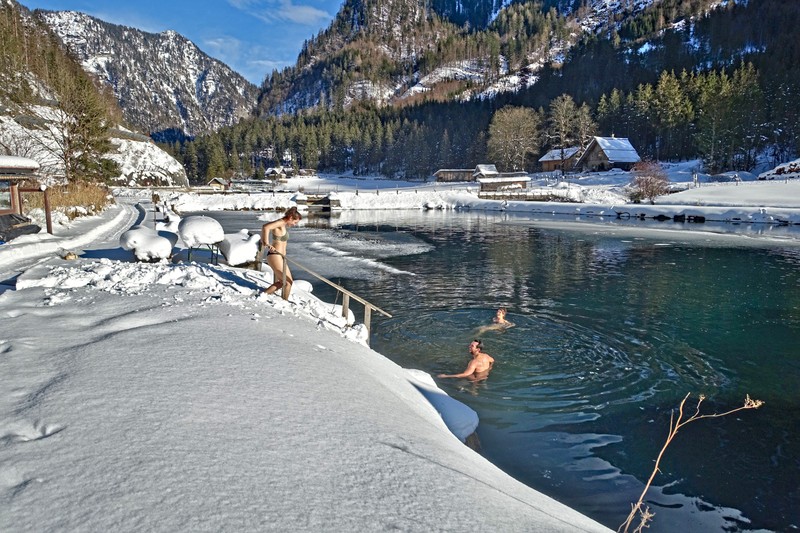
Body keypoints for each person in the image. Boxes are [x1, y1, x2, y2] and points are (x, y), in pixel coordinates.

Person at [260, 206, 302, 298]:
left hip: (280, 256)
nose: (295, 224)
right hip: (275, 255)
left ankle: (264, 295)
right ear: (291, 218)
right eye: (295, 222)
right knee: (287, 283)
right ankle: (284, 302)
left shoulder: (283, 224)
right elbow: (266, 227)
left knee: (287, 282)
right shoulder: (280, 222)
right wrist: (266, 243)